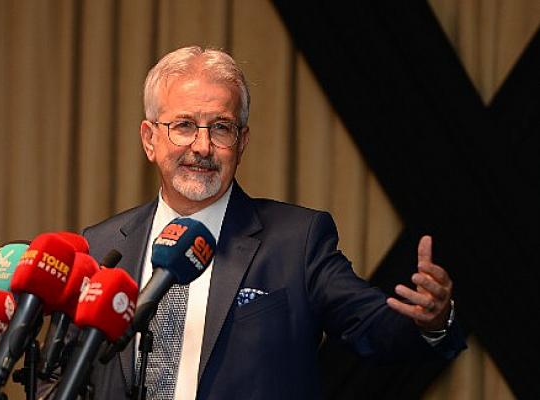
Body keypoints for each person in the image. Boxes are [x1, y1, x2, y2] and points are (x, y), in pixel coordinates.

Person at [81, 46, 465, 399]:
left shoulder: (296, 242)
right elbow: (64, 372)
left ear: (242, 142)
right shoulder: (101, 246)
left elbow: (372, 326)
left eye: (221, 127)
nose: (202, 146)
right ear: (149, 139)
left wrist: (432, 322)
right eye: (184, 125)